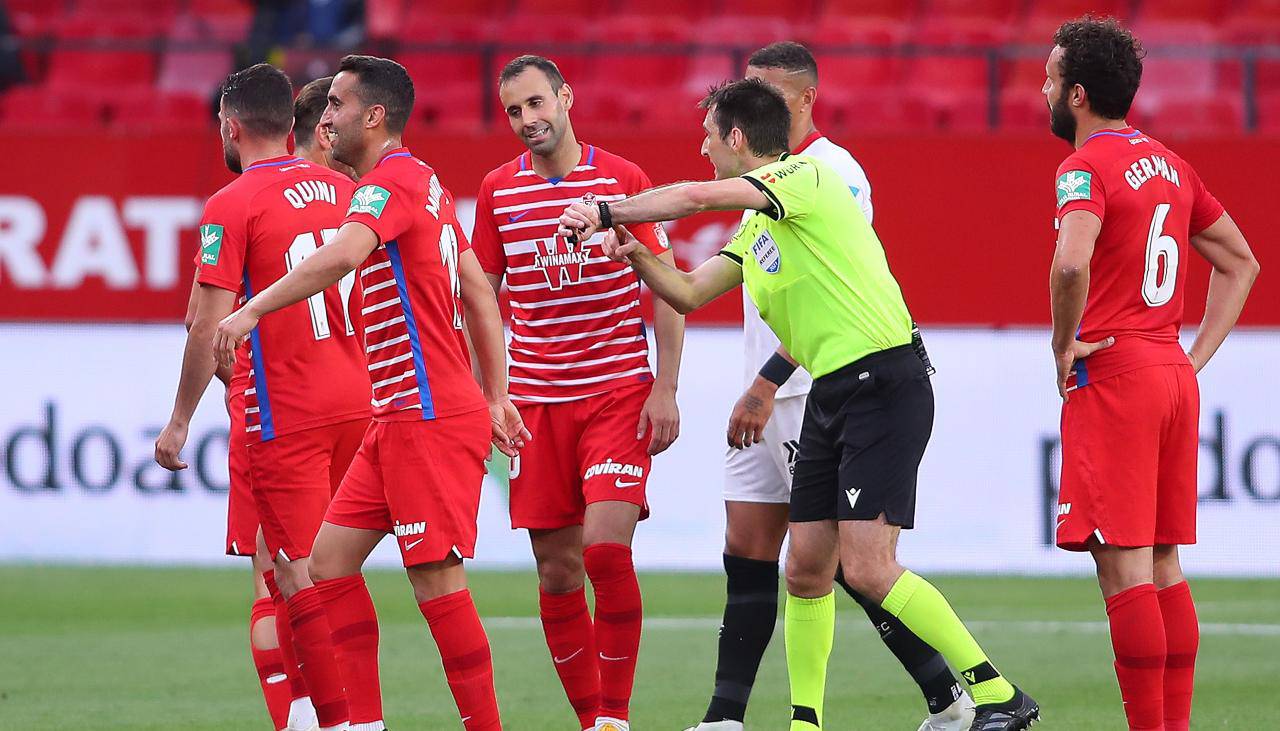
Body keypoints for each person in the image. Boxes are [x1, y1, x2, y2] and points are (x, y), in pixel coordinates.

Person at [559, 78, 1039, 731]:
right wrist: (638, 253)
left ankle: (997, 693)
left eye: (708, 135)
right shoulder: (760, 222)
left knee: (869, 568)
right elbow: (692, 290)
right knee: (808, 565)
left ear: (736, 137)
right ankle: (805, 722)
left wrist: (607, 209)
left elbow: (698, 195)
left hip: (883, 382)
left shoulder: (807, 176)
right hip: (831, 390)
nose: (703, 149)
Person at [214, 54, 530, 731]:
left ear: (374, 116)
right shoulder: (428, 183)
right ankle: (363, 724)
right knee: (326, 567)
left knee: (435, 580)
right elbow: (478, 290)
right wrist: (497, 391)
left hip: (428, 415)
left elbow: (344, 255)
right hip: (395, 418)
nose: (324, 120)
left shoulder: (389, 184)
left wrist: (249, 310)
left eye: (336, 107)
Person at [689, 41, 972, 731]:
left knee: (840, 561)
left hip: (813, 387)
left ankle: (951, 691)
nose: (755, 109)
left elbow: (840, 286)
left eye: (773, 95)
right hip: (762, 387)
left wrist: (767, 380)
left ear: (807, 99)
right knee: (748, 545)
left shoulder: (832, 171)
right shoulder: (760, 177)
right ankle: (726, 715)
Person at [1044, 18, 1258, 731]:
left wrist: (1063, 343)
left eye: (1049, 78)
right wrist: (1190, 358)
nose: (1042, 88)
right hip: (1168, 369)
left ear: (1077, 94)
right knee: (1164, 563)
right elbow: (1241, 261)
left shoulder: (1085, 166)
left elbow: (1072, 260)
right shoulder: (1170, 163)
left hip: (1118, 375)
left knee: (1125, 569)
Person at [155, 62, 372, 731]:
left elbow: (205, 322)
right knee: (334, 573)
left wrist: (180, 420)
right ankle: (351, 716)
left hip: (283, 408)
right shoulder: (347, 191)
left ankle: (316, 720)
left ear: (231, 125)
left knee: (282, 573)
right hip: (359, 400)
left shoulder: (233, 203)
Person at [470, 54, 684, 731]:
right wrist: (490, 396)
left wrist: (666, 389)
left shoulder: (622, 180)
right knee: (557, 570)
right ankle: (591, 719)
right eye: (513, 110)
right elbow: (482, 300)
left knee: (603, 549)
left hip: (618, 391)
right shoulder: (497, 191)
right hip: (535, 404)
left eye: (537, 103)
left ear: (566, 97)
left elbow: (669, 289)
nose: (528, 120)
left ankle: (614, 717)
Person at [160, 273, 314, 731]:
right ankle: (329, 714)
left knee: (271, 576)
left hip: (265, 411)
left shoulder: (235, 212)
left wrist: (245, 378)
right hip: (335, 402)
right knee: (325, 575)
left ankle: (297, 719)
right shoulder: (346, 215)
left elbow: (199, 321)